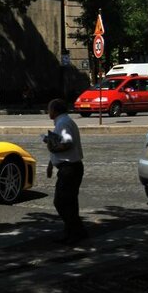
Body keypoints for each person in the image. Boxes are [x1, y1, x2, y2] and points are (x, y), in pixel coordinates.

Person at [44, 98, 88, 245]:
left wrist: (51, 147)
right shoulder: (63, 122)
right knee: (70, 203)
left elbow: (67, 143)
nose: (48, 111)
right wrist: (51, 164)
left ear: (55, 111)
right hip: (70, 168)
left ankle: (75, 232)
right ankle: (73, 232)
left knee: (61, 202)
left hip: (69, 169)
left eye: (49, 109)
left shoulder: (63, 123)